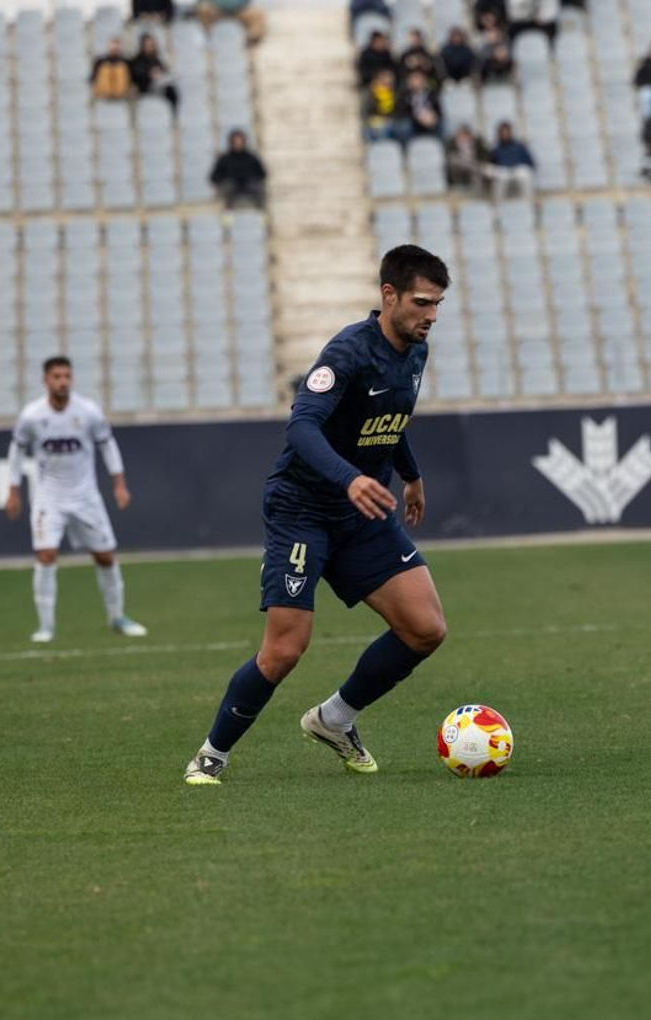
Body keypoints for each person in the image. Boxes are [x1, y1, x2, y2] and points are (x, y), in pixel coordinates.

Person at [183, 246, 452, 785]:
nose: (431, 315)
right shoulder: (347, 353)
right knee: (285, 649)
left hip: (364, 510)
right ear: (389, 295)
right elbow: (301, 428)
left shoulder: (416, 351)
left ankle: (334, 719)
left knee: (425, 629)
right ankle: (212, 754)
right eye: (422, 302)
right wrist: (349, 477)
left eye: (439, 305)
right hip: (303, 509)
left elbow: (391, 419)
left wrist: (412, 473)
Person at [4, 356, 149, 644]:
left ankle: (117, 616)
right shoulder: (32, 416)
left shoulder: (88, 411)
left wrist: (119, 483)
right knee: (46, 555)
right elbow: (17, 451)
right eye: (56, 376)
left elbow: (107, 445)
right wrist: (13, 489)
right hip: (49, 497)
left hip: (85, 497)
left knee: (105, 556)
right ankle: (46, 626)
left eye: (67, 376)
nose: (62, 381)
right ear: (45, 380)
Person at [210, 128, 267, 208]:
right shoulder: (224, 158)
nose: (238, 144)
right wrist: (224, 180)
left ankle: (260, 211)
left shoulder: (251, 157)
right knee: (228, 187)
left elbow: (262, 174)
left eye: (239, 141)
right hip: (232, 187)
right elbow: (214, 176)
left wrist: (253, 178)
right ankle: (228, 213)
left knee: (258, 187)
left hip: (249, 185)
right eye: (235, 141)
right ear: (231, 142)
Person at [487, 121, 535, 198]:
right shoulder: (496, 149)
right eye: (503, 132)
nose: (505, 134)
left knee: (525, 174)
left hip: (518, 170)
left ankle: (528, 202)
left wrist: (528, 167)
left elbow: (530, 162)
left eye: (506, 132)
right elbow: (492, 164)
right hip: (504, 171)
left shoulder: (519, 146)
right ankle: (498, 205)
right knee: (500, 176)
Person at [130, 33, 178, 109]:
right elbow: (136, 74)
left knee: (172, 88)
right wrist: (149, 73)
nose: (150, 47)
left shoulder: (155, 58)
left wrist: (160, 73)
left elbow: (163, 69)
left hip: (158, 84)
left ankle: (173, 113)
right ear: (143, 46)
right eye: (148, 45)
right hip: (145, 86)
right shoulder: (138, 59)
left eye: (152, 45)